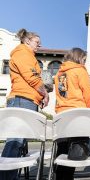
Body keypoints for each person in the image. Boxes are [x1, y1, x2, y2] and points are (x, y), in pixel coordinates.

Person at [0, 29, 49, 180]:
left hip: (26, 99)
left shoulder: (27, 55)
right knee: (15, 141)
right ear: (27, 41)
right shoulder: (23, 53)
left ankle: (10, 176)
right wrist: (45, 94)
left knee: (18, 143)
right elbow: (32, 78)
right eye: (36, 43)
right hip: (23, 99)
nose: (39, 46)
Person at [53, 48, 90, 179]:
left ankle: (59, 176)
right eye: (84, 60)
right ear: (79, 58)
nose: (84, 62)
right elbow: (87, 93)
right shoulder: (80, 70)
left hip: (62, 114)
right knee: (75, 151)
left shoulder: (59, 73)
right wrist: (87, 110)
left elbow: (60, 94)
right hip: (77, 114)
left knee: (62, 150)